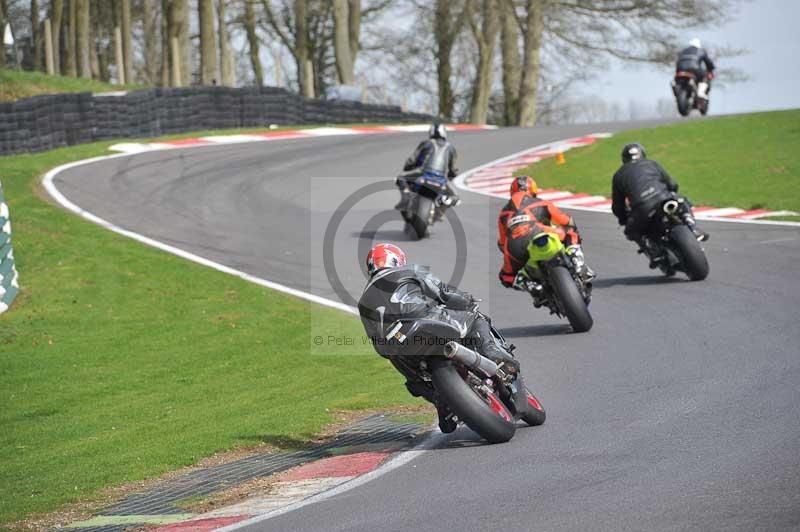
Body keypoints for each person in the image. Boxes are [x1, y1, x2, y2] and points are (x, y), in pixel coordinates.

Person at [358, 243, 519, 433]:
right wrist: (467, 300)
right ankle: (490, 350)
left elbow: (377, 343)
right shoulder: (409, 270)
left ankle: (439, 401)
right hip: (426, 323)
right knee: (476, 317)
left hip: (399, 346)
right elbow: (443, 292)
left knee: (411, 377)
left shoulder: (363, 302)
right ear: (396, 259)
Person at [612, 143, 708, 262]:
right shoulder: (652, 163)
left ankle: (653, 251)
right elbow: (672, 185)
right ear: (642, 154)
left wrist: (623, 219)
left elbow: (617, 205)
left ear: (624, 159)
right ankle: (693, 227)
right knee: (681, 200)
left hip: (642, 208)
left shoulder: (618, 175)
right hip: (663, 199)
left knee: (630, 230)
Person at [497, 176, 593, 289]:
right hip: (539, 231)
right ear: (533, 190)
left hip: (515, 246)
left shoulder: (503, 214)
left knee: (505, 276)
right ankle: (578, 262)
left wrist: (511, 256)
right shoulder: (540, 203)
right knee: (570, 232)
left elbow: (503, 244)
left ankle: (529, 285)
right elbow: (566, 220)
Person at [395, 122, 460, 211]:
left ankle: (406, 198)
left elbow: (412, 159)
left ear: (431, 132)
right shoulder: (451, 148)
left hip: (423, 174)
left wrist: (408, 166)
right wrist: (452, 176)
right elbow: (453, 169)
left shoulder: (426, 143)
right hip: (441, 179)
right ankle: (442, 203)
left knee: (400, 178)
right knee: (456, 198)